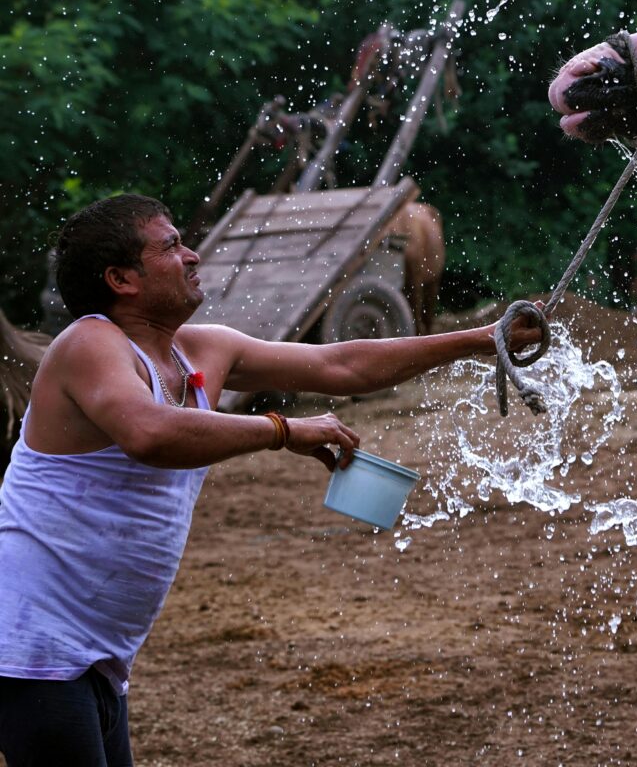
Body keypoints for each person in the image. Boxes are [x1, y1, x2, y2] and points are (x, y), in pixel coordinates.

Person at [0, 193, 539, 767]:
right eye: (170, 246)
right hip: (30, 649)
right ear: (121, 279)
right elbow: (150, 434)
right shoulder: (90, 343)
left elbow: (342, 365)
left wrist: (482, 341)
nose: (192, 256)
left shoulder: (202, 349)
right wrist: (281, 429)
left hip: (93, 659)